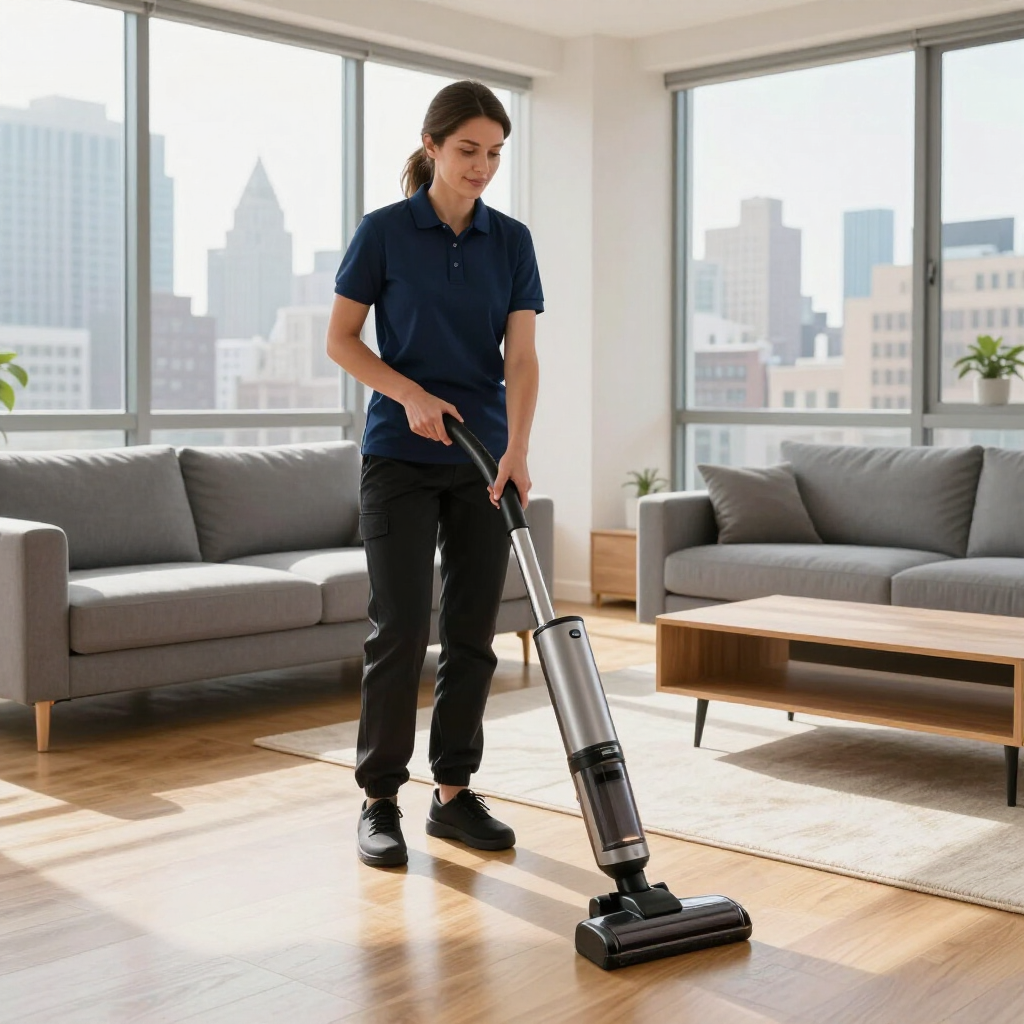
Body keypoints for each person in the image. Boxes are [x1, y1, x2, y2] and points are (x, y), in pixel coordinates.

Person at [326, 80, 544, 868]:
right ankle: (379, 800)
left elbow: (520, 358)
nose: (482, 166)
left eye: (494, 154)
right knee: (401, 628)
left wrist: (517, 447)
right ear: (432, 147)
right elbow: (343, 341)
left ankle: (454, 794)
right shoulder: (384, 232)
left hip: (483, 459)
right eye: (467, 151)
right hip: (398, 456)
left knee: (472, 630)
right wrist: (410, 393)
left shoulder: (511, 241)